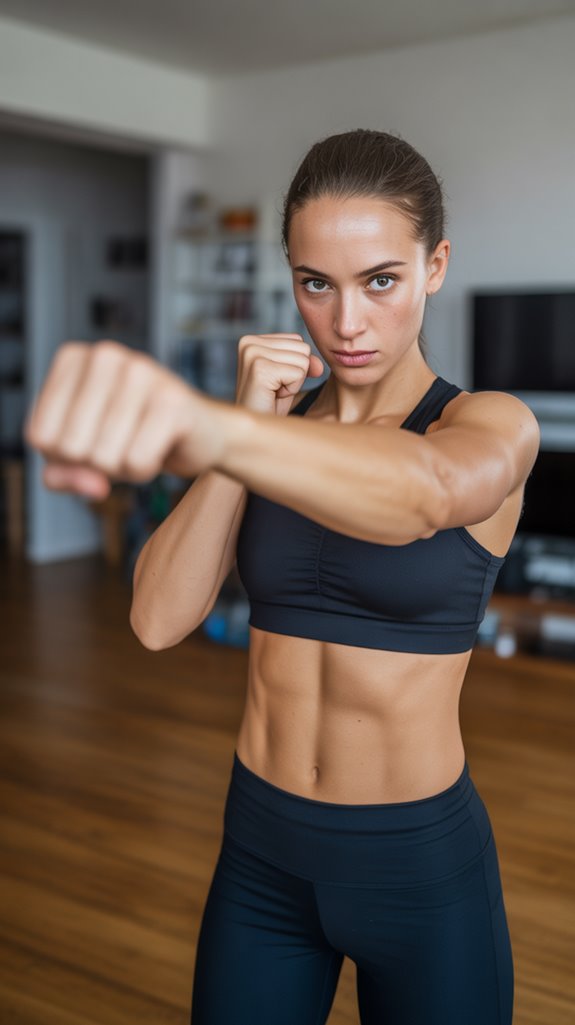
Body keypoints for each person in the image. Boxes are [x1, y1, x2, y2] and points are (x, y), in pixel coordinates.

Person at [24, 129, 540, 1025]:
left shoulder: (488, 423)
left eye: (380, 280)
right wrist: (243, 424)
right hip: (260, 854)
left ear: (433, 267)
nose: (346, 323)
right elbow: (155, 619)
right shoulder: (267, 433)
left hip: (417, 868)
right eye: (316, 283)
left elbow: (424, 492)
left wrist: (210, 429)